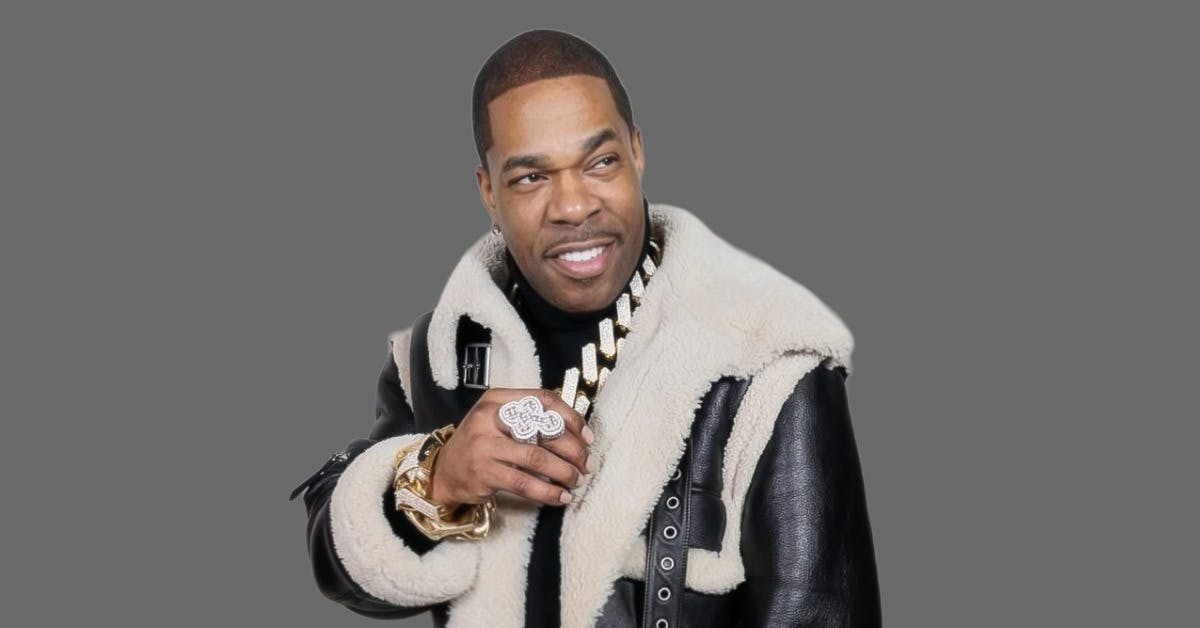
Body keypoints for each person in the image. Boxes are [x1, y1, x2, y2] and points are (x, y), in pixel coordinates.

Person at [291, 29, 881, 628]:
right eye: (530, 177)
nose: (574, 206)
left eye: (600, 162)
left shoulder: (765, 364)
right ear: (488, 193)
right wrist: (439, 478)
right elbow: (346, 570)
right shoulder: (442, 356)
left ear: (637, 152)